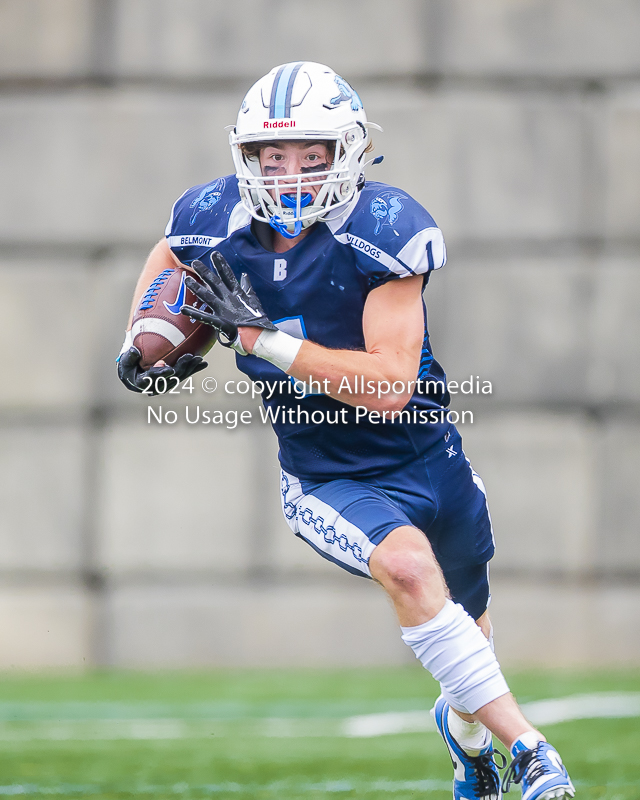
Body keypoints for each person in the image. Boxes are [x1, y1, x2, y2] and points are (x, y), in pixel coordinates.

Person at [117, 62, 575, 800]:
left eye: (312, 155)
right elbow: (172, 255)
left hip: (428, 456)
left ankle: (467, 750)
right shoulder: (213, 214)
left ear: (350, 152)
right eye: (272, 158)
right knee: (409, 572)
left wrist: (260, 341)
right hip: (326, 474)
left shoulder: (384, 228)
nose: (290, 174)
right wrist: (145, 335)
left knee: (468, 632)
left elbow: (389, 388)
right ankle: (532, 751)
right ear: (246, 159)